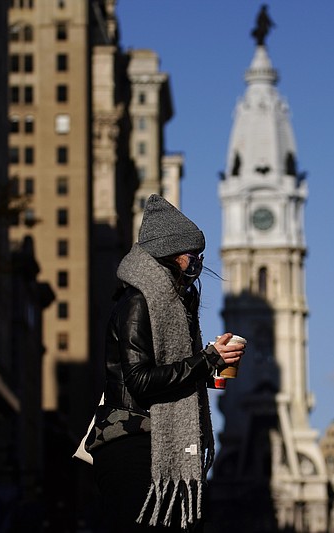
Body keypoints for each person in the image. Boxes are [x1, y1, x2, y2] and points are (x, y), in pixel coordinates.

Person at [92, 194, 245, 532]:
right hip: (132, 446)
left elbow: (163, 371)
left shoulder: (171, 305)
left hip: (152, 443)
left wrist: (209, 367)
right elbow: (140, 380)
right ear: (171, 255)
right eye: (192, 256)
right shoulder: (137, 302)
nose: (198, 264)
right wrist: (205, 361)